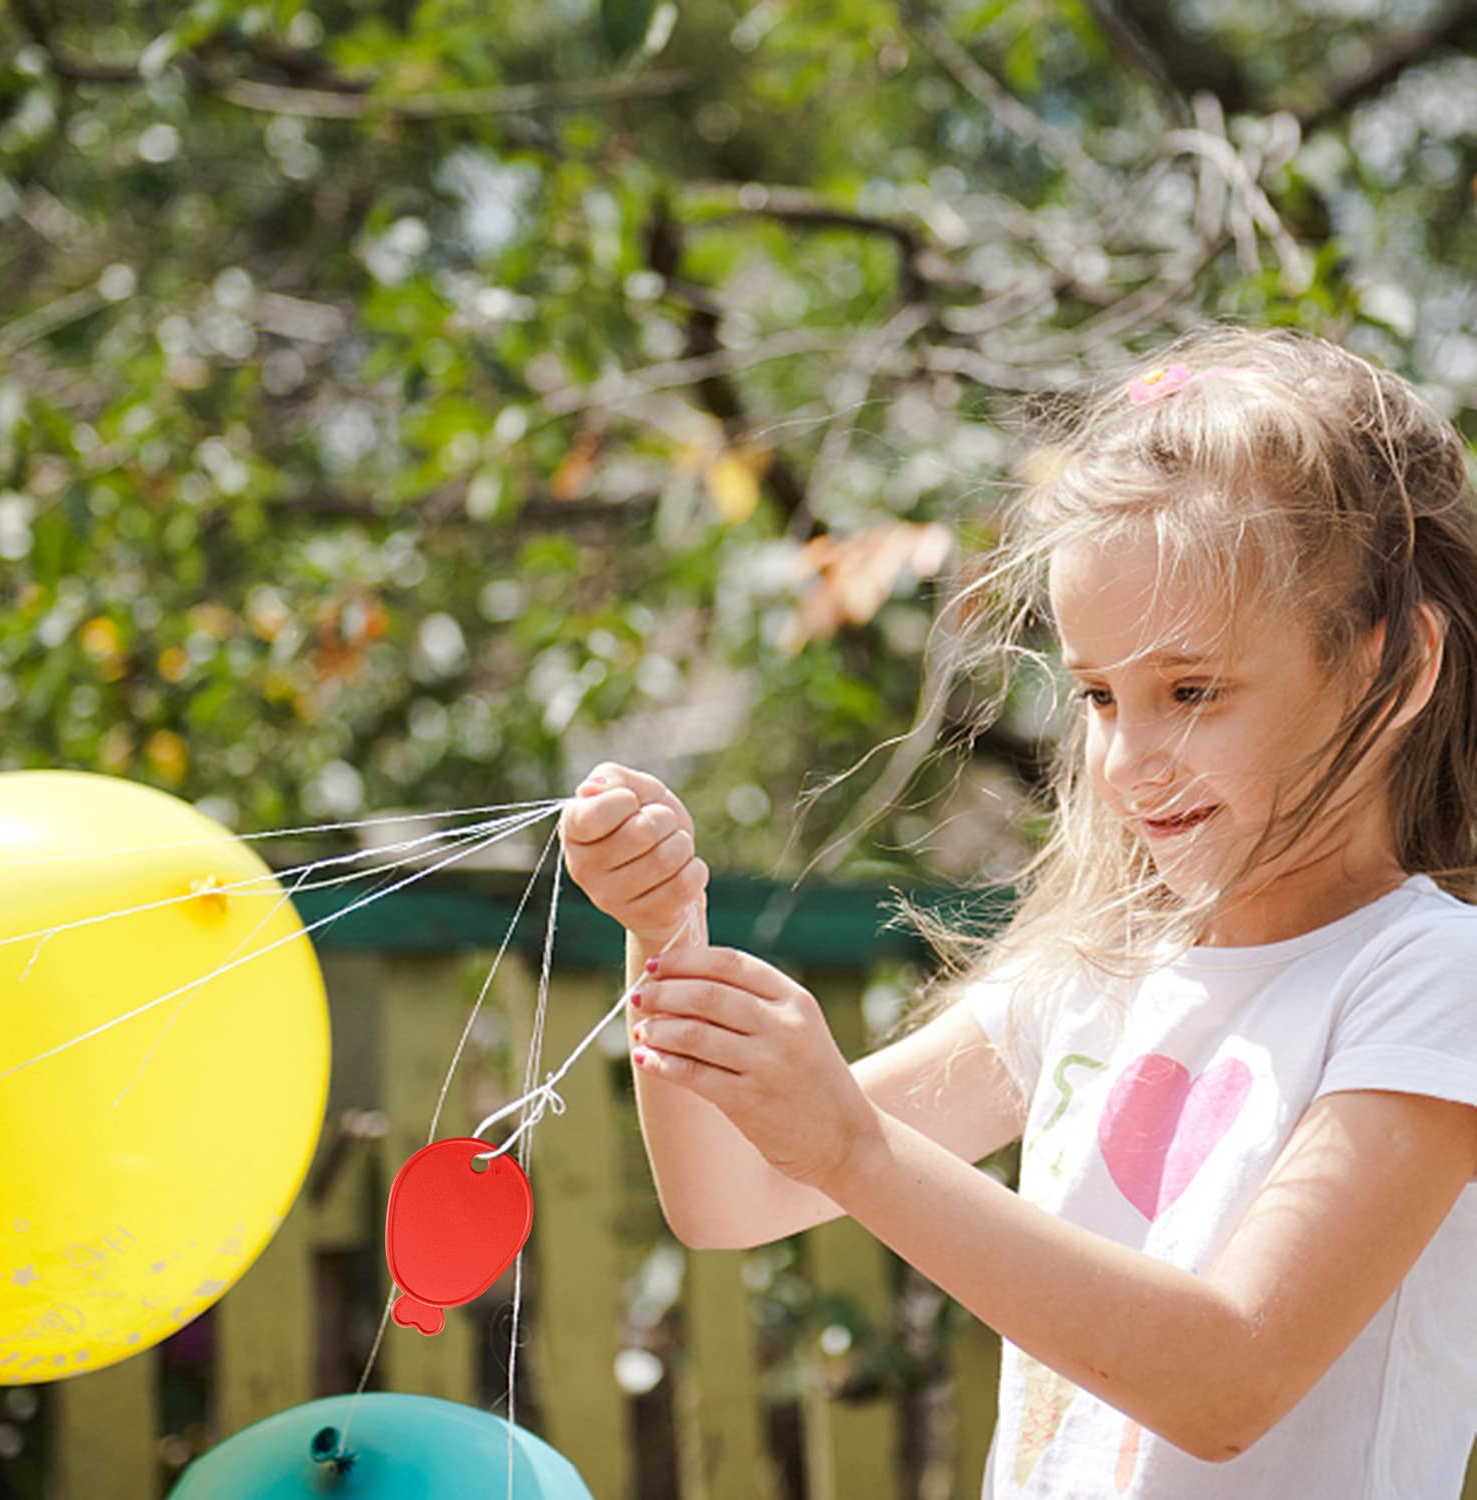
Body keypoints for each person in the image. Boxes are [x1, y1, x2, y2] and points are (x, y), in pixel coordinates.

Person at [558, 325, 1477, 1498]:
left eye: (1192, 691)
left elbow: (1230, 1379)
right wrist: (666, 933)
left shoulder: (1432, 980)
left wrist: (850, 1142)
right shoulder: (1093, 981)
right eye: (1099, 695)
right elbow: (730, 1196)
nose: (1129, 760)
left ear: (1393, 673)